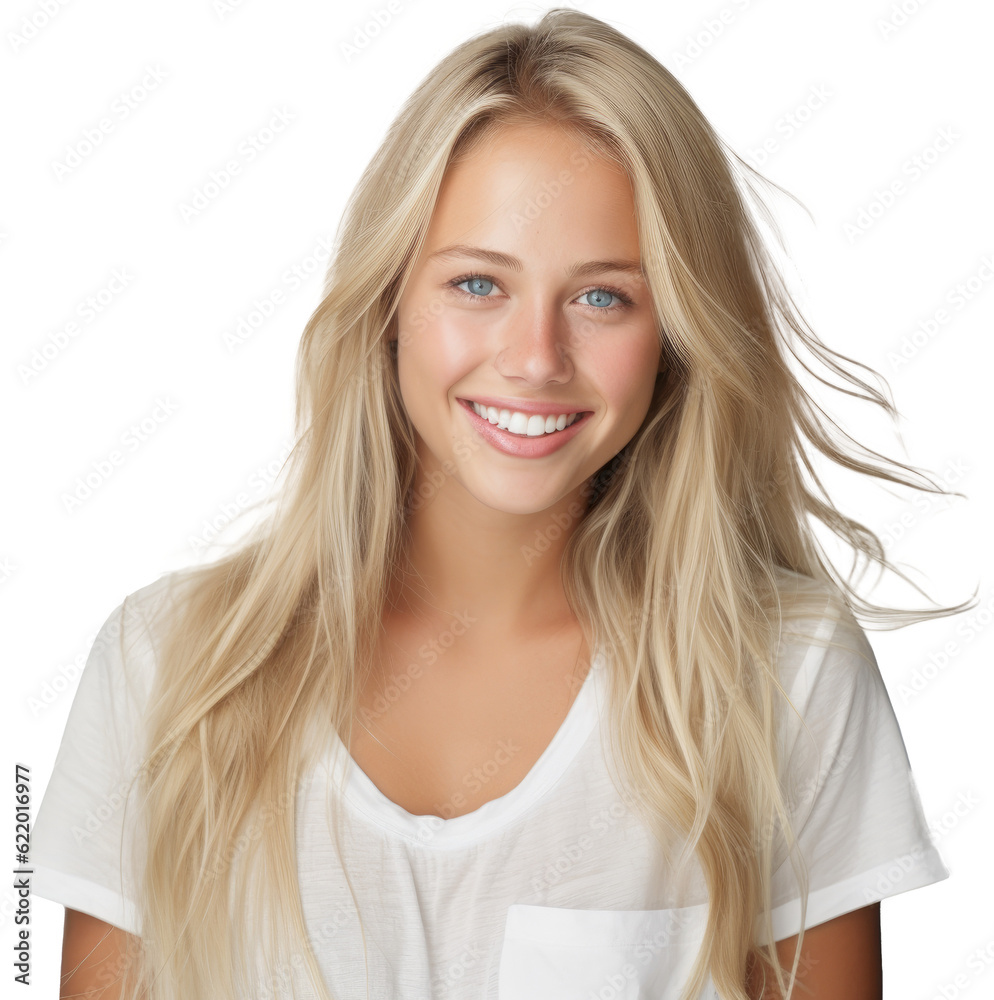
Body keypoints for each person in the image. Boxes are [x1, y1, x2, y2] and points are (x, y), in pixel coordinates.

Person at [30, 8, 968, 1000]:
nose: (534, 359)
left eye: (602, 296)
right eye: (478, 283)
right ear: (389, 304)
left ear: (674, 334)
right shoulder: (167, 670)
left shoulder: (786, 677)